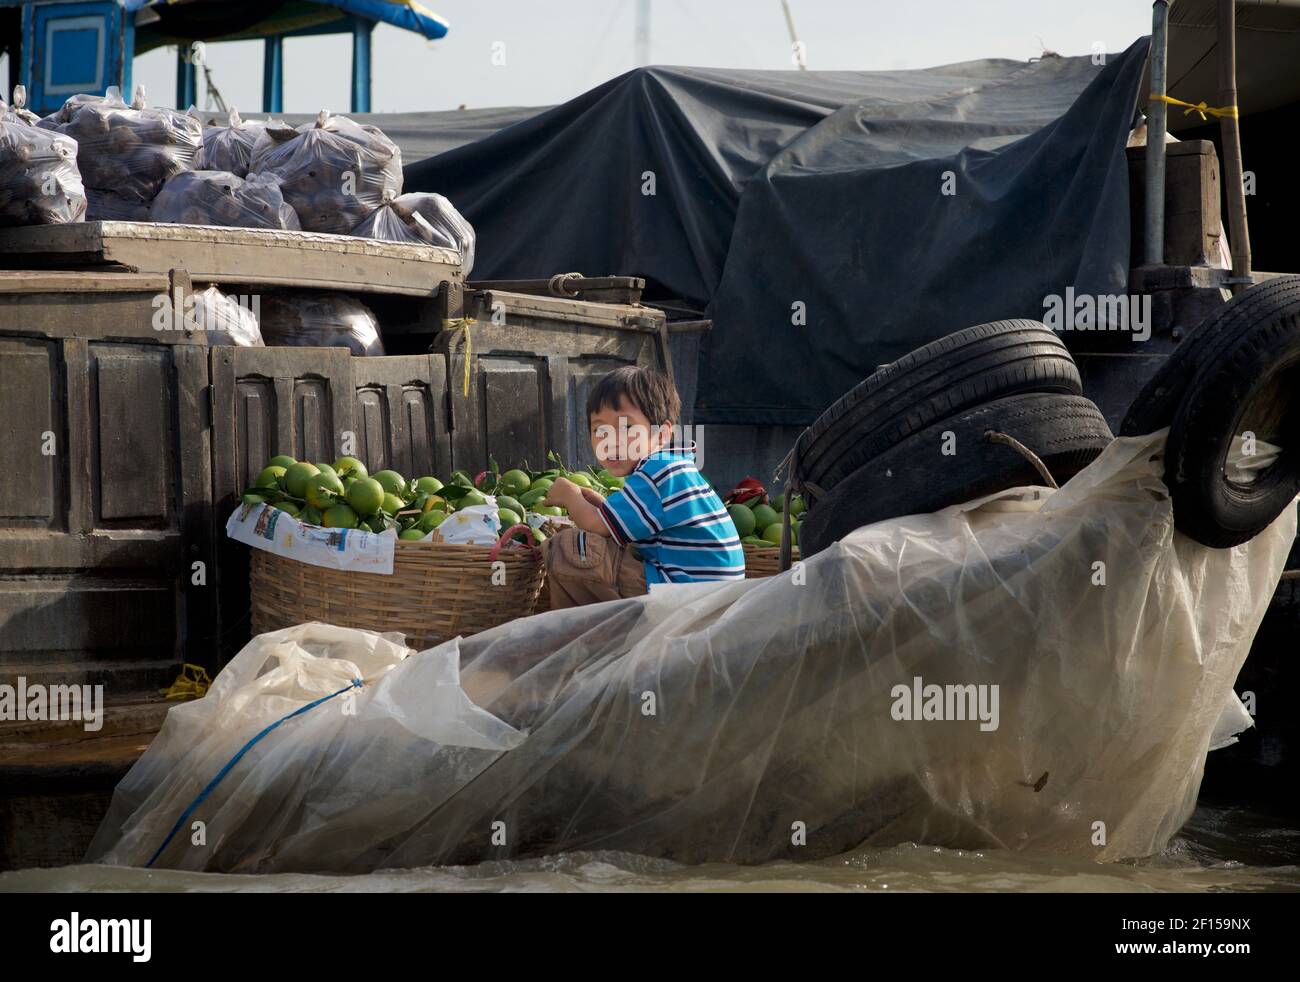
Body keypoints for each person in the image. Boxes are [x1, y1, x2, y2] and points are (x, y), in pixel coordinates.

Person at [541, 365, 744, 608]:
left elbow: (596, 526)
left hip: (683, 597)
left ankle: (580, 636)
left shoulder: (657, 472)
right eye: (599, 429)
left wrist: (569, 495)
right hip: (705, 592)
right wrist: (601, 507)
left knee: (570, 548)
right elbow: (628, 528)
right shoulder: (671, 466)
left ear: (661, 434)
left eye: (626, 427)